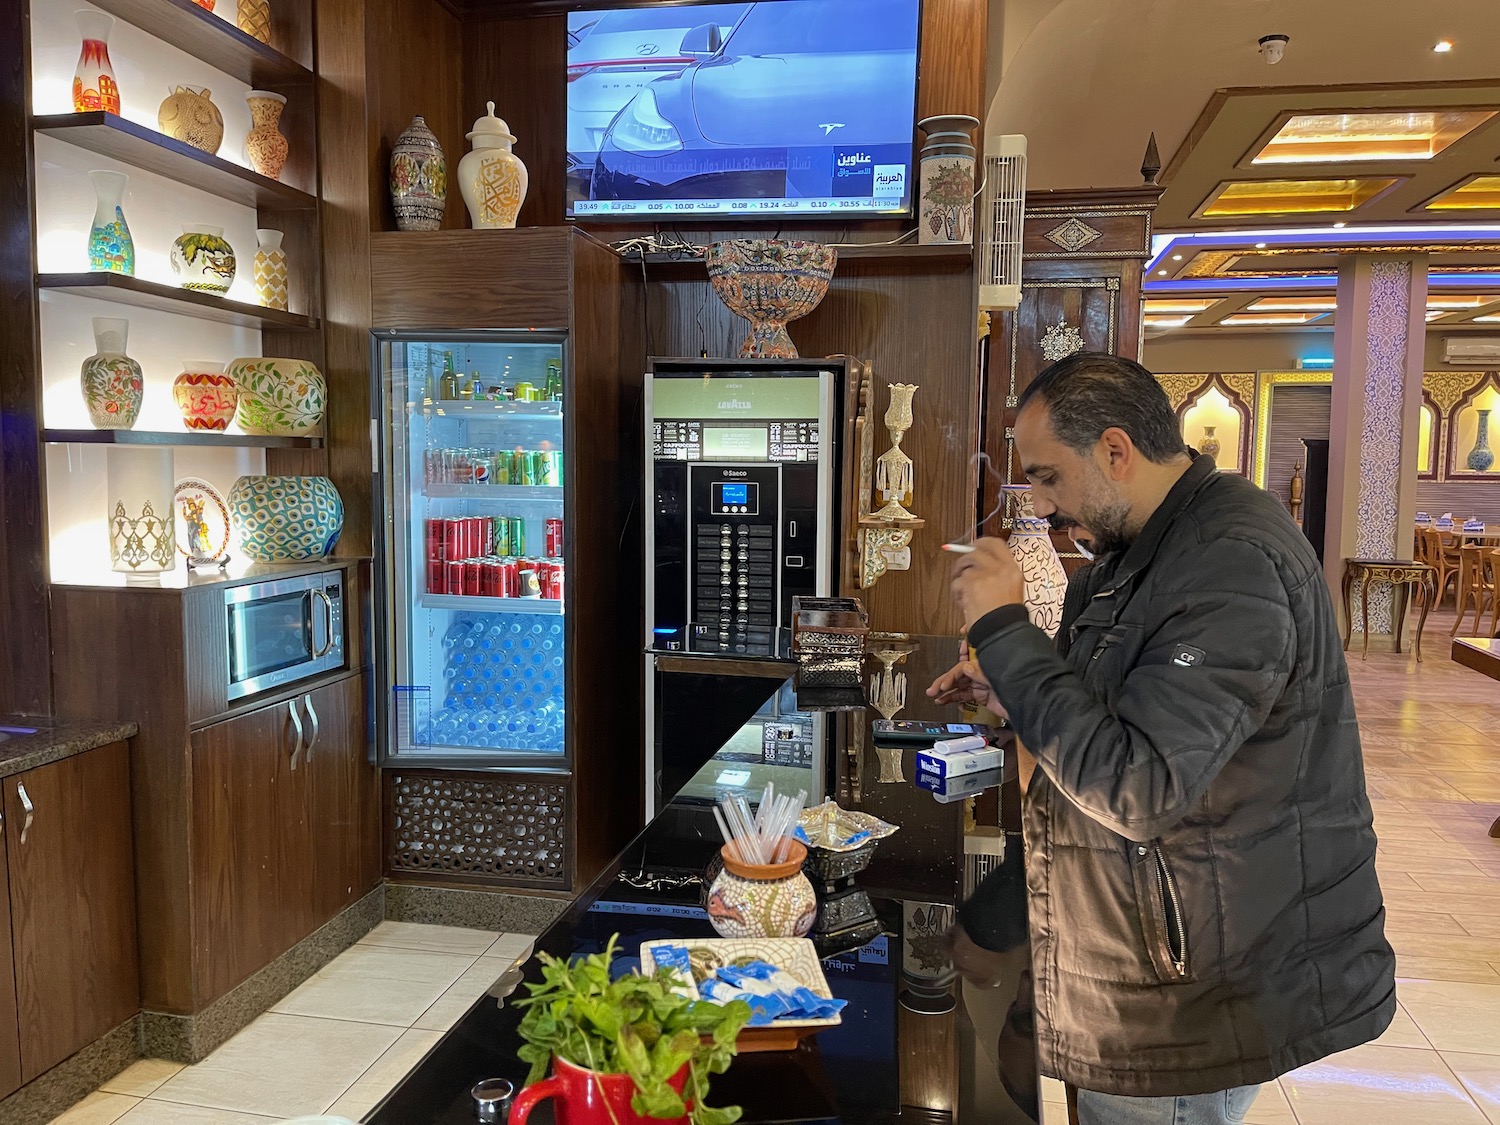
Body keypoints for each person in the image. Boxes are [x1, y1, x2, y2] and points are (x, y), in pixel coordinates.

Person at [928, 353, 1395, 1125]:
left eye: (1049, 477)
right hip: (1138, 957)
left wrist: (1005, 628)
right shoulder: (1133, 553)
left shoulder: (1230, 561)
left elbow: (1136, 783)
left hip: (1189, 992)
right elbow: (1112, 712)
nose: (1041, 505)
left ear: (1116, 450)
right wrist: (1010, 690)